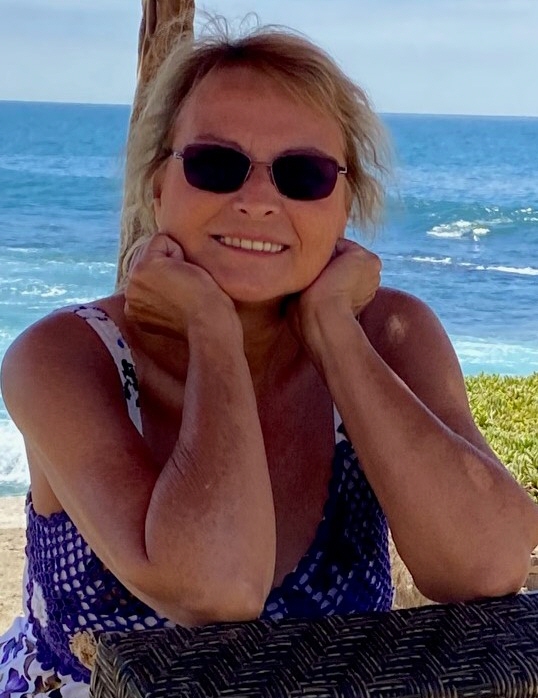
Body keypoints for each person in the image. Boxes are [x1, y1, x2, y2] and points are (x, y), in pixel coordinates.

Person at [2, 3, 538, 697]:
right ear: (158, 189)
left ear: (344, 204)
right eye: (216, 165)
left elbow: (486, 565)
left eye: (303, 174)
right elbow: (215, 589)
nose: (258, 199)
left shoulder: (390, 335)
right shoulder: (64, 358)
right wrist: (214, 329)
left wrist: (335, 333)